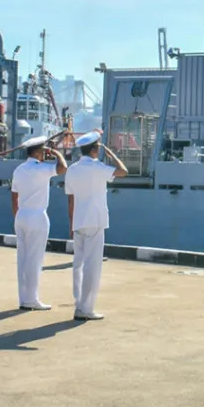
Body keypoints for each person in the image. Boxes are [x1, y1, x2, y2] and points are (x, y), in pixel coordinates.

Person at [65, 131, 128, 321]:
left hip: (78, 221)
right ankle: (86, 308)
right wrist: (111, 154)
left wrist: (71, 223)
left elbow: (70, 200)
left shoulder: (72, 169)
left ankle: (79, 303)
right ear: (95, 150)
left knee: (78, 264)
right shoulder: (98, 167)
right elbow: (123, 171)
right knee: (92, 266)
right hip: (95, 220)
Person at [12, 135, 67, 311]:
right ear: (37, 152)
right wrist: (56, 153)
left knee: (22, 259)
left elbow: (14, 196)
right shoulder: (41, 169)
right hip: (36, 216)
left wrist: (17, 217)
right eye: (43, 151)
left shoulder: (19, 170)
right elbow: (63, 168)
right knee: (35, 259)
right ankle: (32, 299)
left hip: (21, 215)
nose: (44, 154)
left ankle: (23, 298)